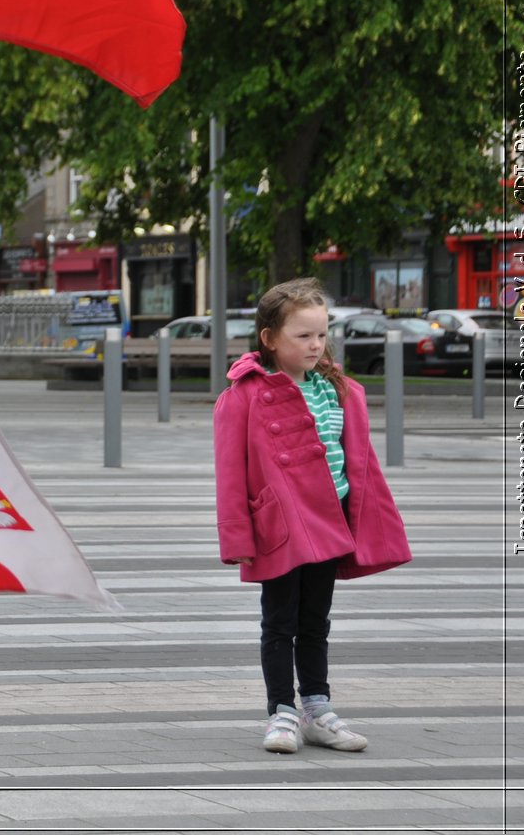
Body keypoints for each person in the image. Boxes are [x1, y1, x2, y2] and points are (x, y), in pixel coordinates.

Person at [214, 277, 410, 754]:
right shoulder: (243, 394)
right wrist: (237, 538)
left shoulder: (334, 388)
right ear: (270, 338)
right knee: (279, 623)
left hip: (330, 519)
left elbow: (358, 462)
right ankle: (281, 712)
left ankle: (318, 709)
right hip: (280, 526)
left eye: (321, 334)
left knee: (316, 621)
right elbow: (230, 474)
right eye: (303, 336)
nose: (315, 344)